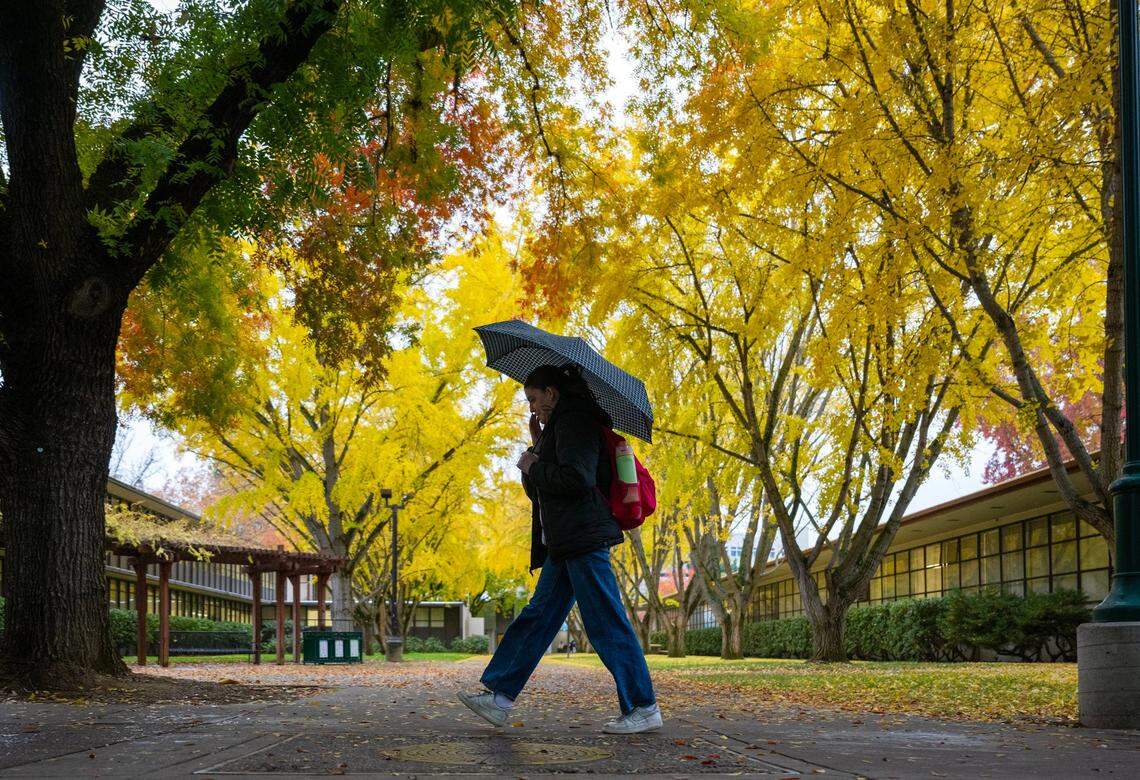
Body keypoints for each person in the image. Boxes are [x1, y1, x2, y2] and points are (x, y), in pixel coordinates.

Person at [458, 364, 661, 734]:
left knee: (604, 621)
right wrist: (536, 452)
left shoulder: (575, 421)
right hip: (567, 541)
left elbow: (577, 480)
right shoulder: (557, 428)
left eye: (534, 399)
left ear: (552, 392)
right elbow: (542, 494)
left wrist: (536, 464)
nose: (532, 408)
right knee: (538, 617)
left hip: (583, 537)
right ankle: (500, 698)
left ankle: (643, 705)